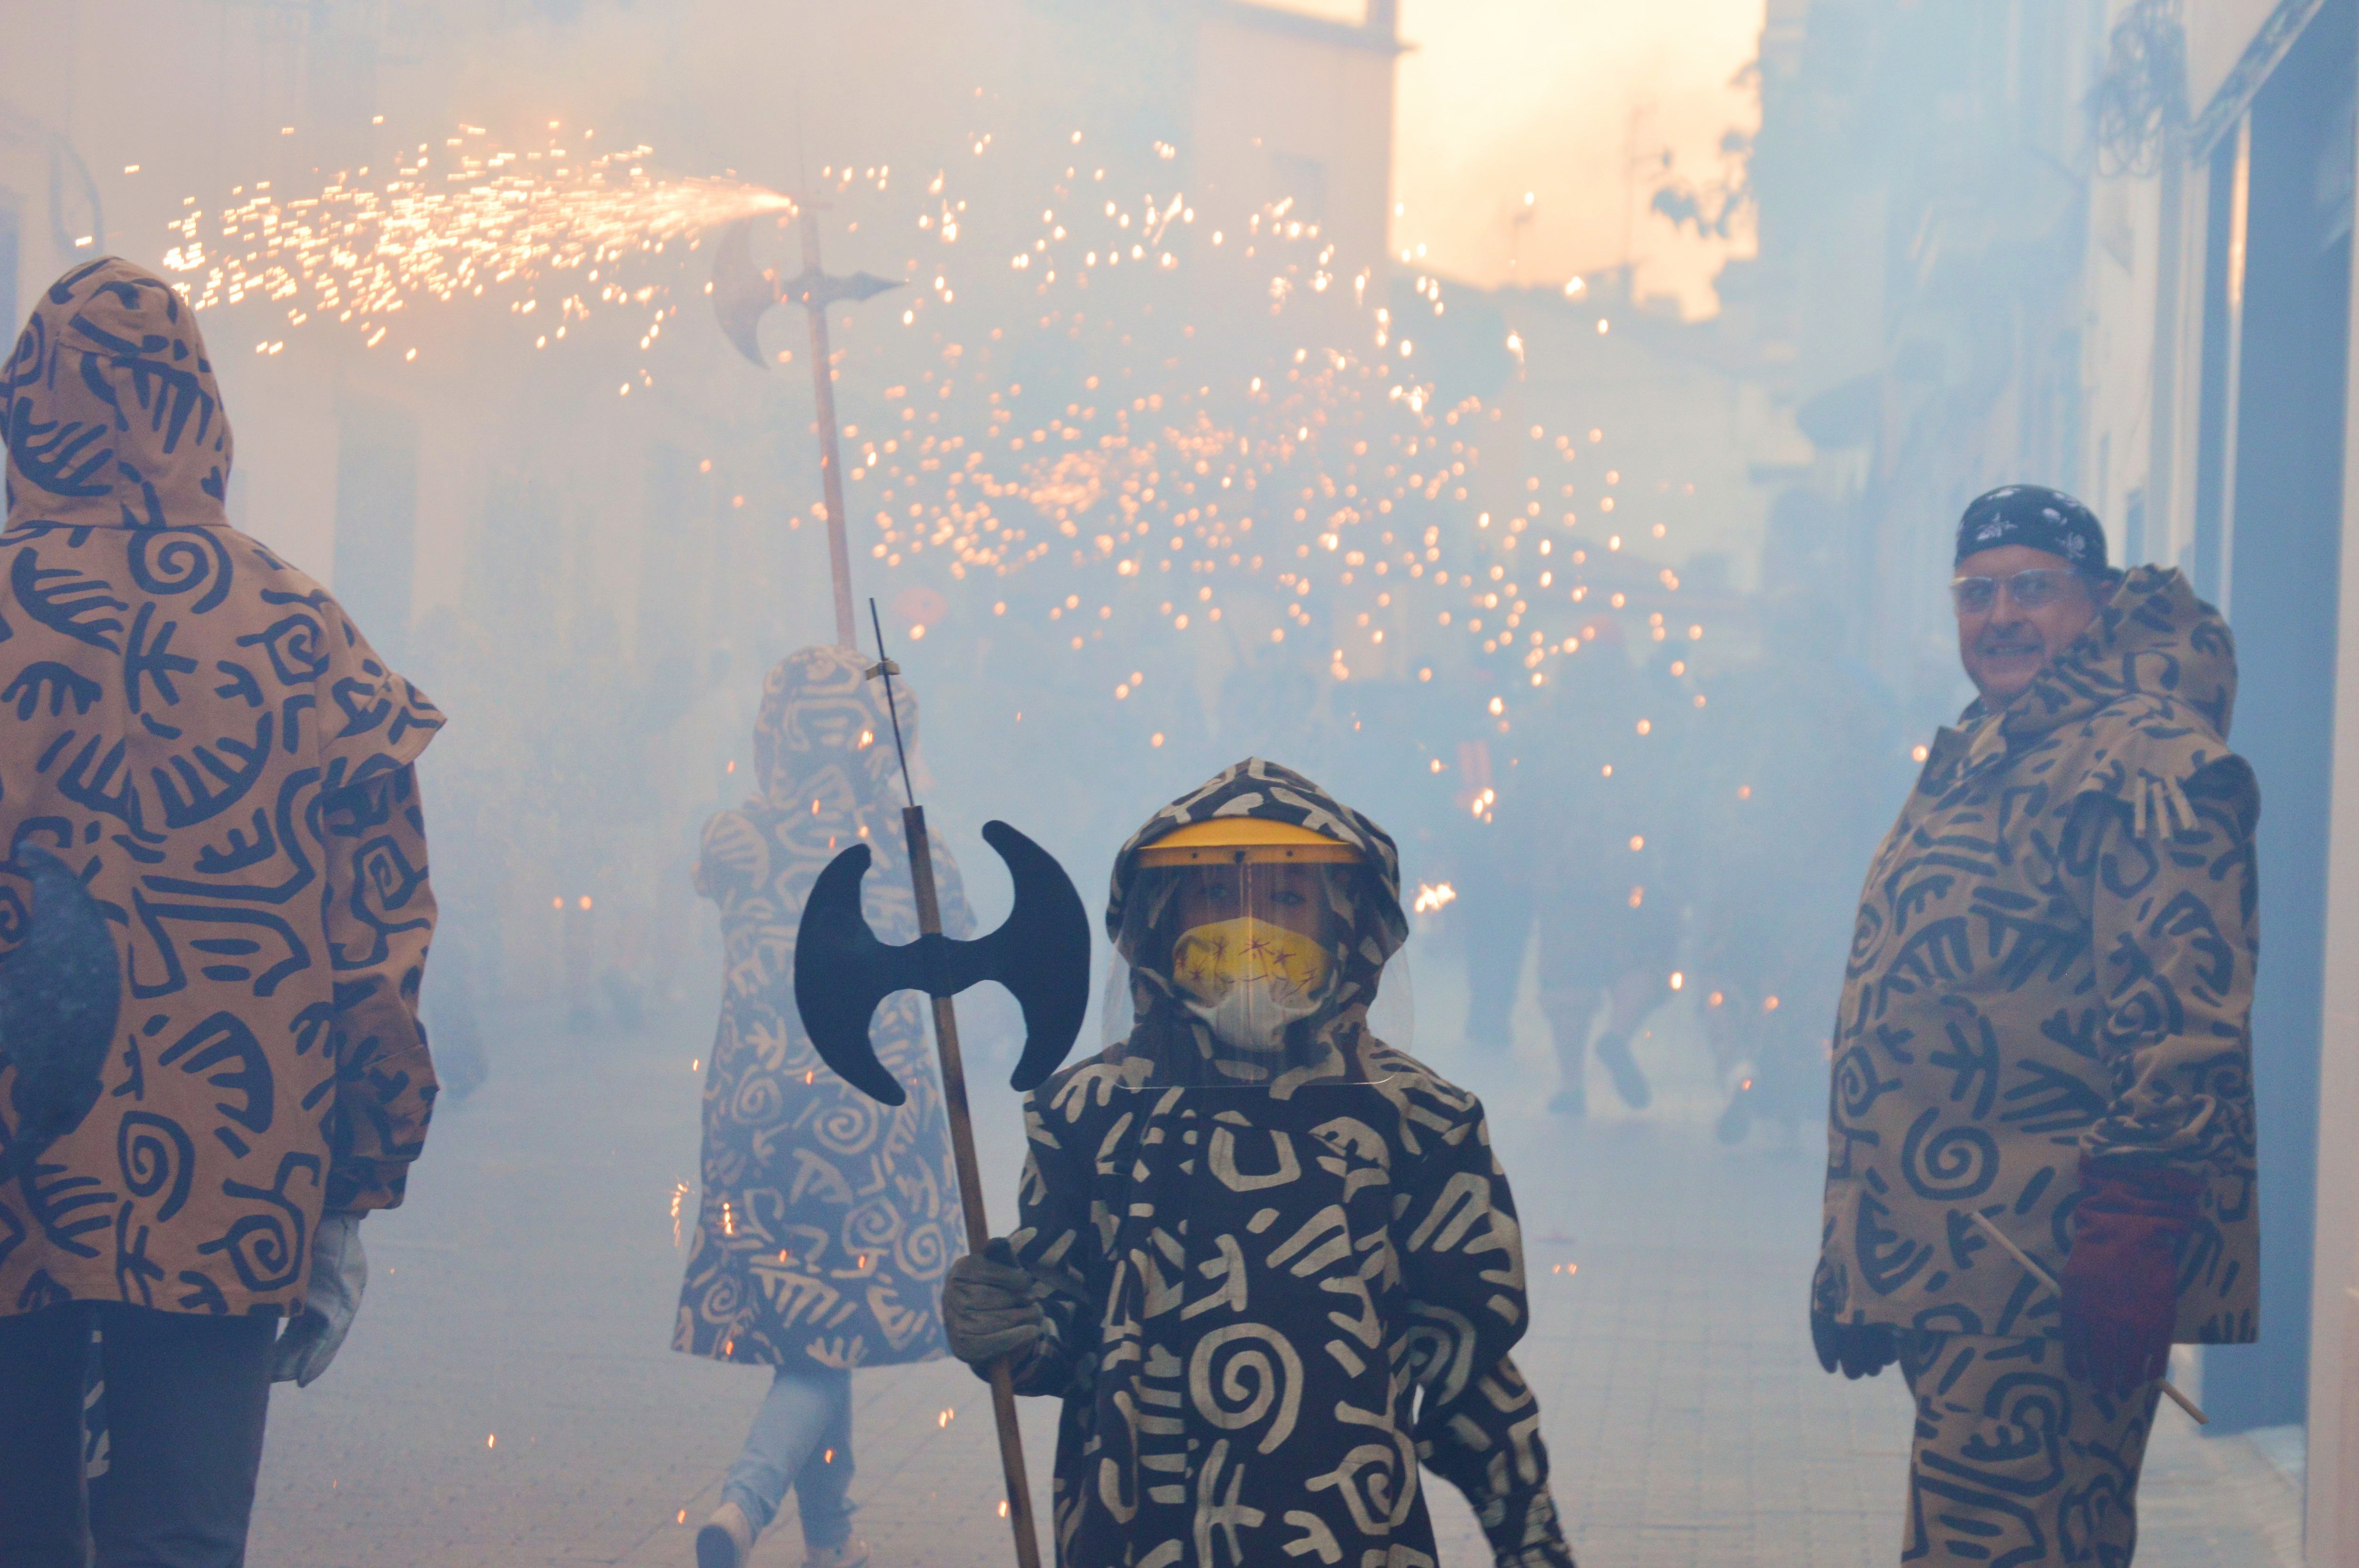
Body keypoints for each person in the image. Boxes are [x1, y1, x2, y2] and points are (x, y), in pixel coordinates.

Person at [0, 258, 443, 1565]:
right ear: (198, 407)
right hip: (231, 1155)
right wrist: (353, 1186)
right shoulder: (302, 633)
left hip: (16, 1155)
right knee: (181, 1531)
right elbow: (377, 943)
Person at [941, 758, 1576, 1568]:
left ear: (1344, 922)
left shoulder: (1417, 1122)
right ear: (1163, 917)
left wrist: (1533, 1544)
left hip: (1347, 1543)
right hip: (1134, 1543)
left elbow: (1468, 1372)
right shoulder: (1091, 1115)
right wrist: (1005, 1321)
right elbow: (1064, 1335)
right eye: (1214, 895)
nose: (1248, 933)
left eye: (1285, 898)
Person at [1812, 486, 2259, 1564]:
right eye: (1976, 593)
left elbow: (2185, 1017)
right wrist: (1857, 1256)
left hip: (2056, 1276)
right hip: (1959, 1270)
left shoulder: (2150, 762)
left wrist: (2131, 1237)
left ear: (2096, 603)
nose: (2000, 615)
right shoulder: (1990, 745)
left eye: (2033, 589)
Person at [678, 645, 972, 1568]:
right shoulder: (906, 846)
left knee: (816, 1330)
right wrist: (899, 759)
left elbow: (723, 879)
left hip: (757, 1115)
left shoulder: (737, 834)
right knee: (822, 1339)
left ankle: (832, 1541)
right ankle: (746, 1499)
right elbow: (955, 941)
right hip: (870, 1116)